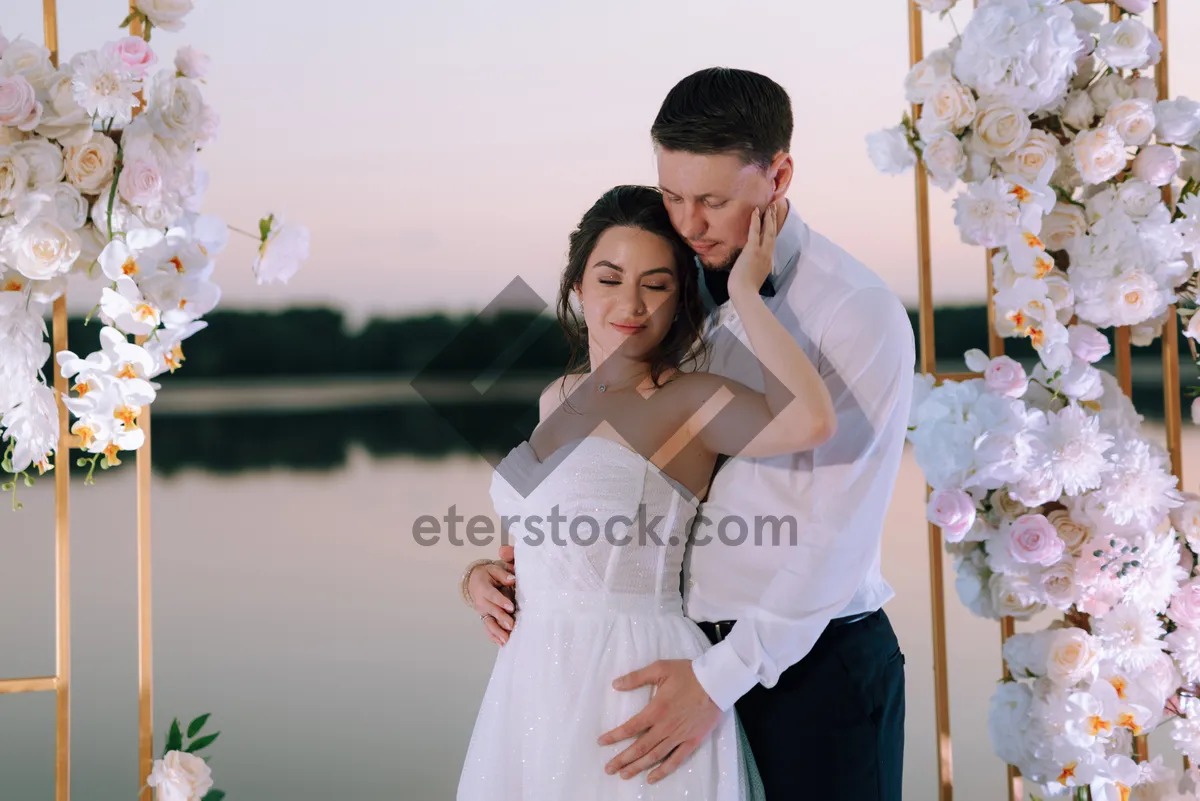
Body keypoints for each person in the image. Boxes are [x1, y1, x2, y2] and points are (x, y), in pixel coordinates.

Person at [464, 67, 915, 800]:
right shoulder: (663, 300)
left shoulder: (856, 313)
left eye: (712, 200)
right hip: (666, 654)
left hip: (808, 664)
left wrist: (719, 678)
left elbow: (840, 536)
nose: (689, 222)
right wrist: (492, 574)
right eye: (673, 196)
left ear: (778, 176)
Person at [456, 183, 837, 800]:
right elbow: (533, 544)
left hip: (630, 678)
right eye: (610, 279)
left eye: (656, 284)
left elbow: (812, 422)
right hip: (532, 678)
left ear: (680, 297)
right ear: (578, 287)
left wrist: (746, 292)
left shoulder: (687, 399)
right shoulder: (558, 396)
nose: (630, 303)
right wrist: (479, 578)